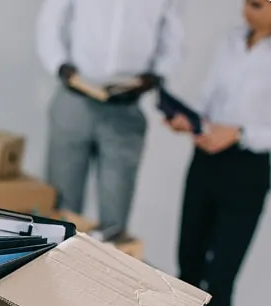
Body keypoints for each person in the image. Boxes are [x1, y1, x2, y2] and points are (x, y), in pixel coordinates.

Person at [163, 0, 271, 306]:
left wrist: (242, 133)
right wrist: (190, 121)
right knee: (188, 272)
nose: (245, 10)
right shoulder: (231, 40)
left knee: (219, 284)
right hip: (206, 162)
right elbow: (211, 95)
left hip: (246, 174)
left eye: (256, 4)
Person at [37, 0, 185, 231]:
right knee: (58, 208)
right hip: (75, 99)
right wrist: (59, 65)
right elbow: (50, 20)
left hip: (125, 108)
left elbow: (173, 37)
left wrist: (156, 75)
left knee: (115, 218)